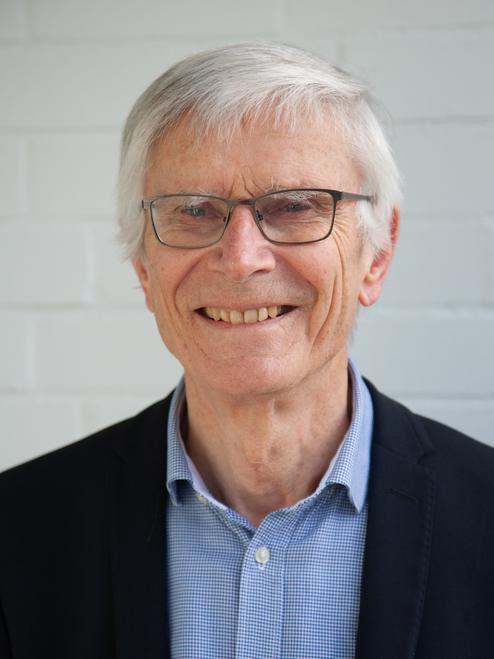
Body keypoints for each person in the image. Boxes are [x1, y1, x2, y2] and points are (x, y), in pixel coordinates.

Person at [0, 42, 493, 659]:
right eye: (193, 210)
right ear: (143, 266)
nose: (240, 259)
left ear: (379, 253)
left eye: (294, 207)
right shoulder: (18, 530)